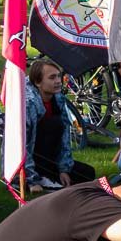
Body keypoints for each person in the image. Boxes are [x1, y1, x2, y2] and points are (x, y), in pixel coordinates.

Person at [25, 59, 95, 193]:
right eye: (52, 77)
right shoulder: (28, 103)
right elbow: (23, 145)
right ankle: (39, 178)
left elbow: (65, 136)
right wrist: (31, 179)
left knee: (88, 173)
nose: (58, 81)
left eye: (59, 76)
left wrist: (64, 169)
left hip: (50, 158)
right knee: (53, 124)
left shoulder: (58, 99)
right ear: (38, 82)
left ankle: (51, 177)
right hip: (30, 161)